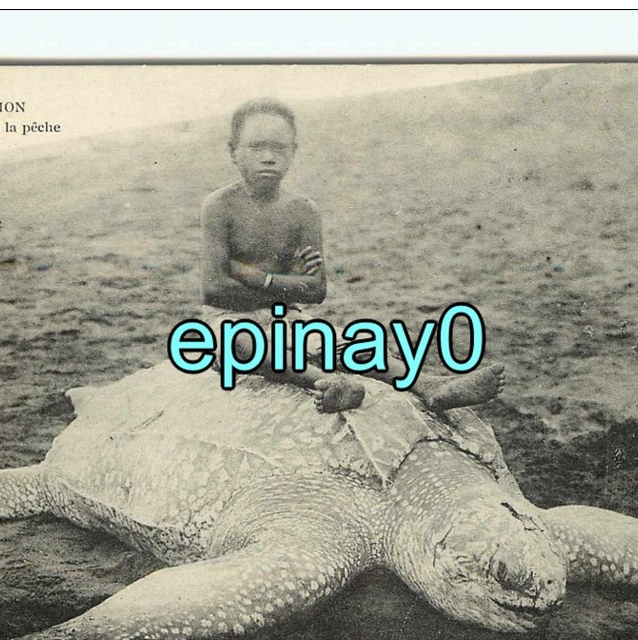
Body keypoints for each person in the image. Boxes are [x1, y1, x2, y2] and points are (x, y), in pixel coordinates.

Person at [201, 98, 505, 413]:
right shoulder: (220, 206)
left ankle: (427, 384)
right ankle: (326, 383)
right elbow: (214, 290)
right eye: (256, 147)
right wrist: (288, 284)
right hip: (228, 322)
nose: (268, 158)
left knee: (352, 343)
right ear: (233, 151)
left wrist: (256, 277)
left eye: (279, 149)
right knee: (241, 342)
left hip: (288, 318)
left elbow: (316, 291)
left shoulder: (302, 211)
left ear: (293, 151)